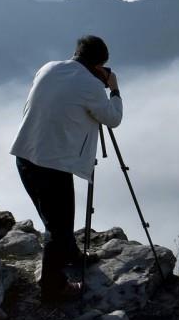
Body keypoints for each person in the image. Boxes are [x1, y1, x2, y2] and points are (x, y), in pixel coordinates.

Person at [10, 35, 122, 301]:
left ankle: (71, 256)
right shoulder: (90, 86)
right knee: (58, 228)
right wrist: (113, 90)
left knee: (56, 220)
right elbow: (113, 119)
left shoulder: (47, 68)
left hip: (25, 155)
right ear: (99, 65)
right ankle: (53, 289)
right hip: (52, 165)